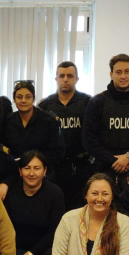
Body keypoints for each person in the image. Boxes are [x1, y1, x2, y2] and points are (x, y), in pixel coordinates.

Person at [3, 151, 65, 255]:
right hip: (17, 245)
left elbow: (55, 232)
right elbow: (3, 229)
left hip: (44, 247)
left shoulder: (55, 193)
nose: (31, 173)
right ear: (20, 171)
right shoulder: (10, 192)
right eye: (27, 168)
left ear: (45, 171)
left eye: (37, 168)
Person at [82, 53, 129, 175]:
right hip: (105, 168)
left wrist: (128, 156)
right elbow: (88, 139)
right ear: (111, 74)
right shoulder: (97, 102)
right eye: (118, 72)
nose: (123, 76)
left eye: (127, 71)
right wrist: (113, 160)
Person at [40, 61, 93, 208]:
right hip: (55, 168)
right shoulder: (45, 105)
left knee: (82, 208)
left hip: (82, 166)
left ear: (77, 79)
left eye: (70, 76)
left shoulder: (88, 103)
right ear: (56, 79)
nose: (65, 79)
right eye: (61, 76)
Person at [3, 80, 65, 173]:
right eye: (19, 97)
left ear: (33, 99)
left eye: (28, 97)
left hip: (42, 173)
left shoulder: (49, 121)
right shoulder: (7, 121)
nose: (23, 100)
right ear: (14, 100)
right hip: (15, 172)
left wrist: (34, 162)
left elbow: (58, 151)